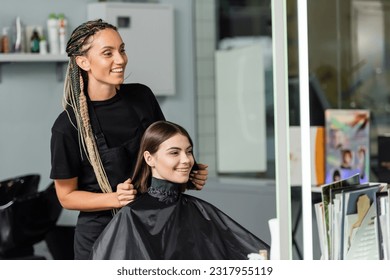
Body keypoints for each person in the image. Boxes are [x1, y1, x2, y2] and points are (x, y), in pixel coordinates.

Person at [50, 19, 208, 260]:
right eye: (108, 53)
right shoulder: (68, 126)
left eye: (122, 49)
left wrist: (186, 171)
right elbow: (66, 197)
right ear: (83, 62)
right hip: (101, 236)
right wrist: (114, 198)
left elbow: (162, 151)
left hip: (153, 225)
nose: (121, 59)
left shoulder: (142, 96)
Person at [90, 120, 270, 260]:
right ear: (149, 158)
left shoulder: (200, 211)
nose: (186, 160)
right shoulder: (132, 215)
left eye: (189, 151)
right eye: (174, 153)